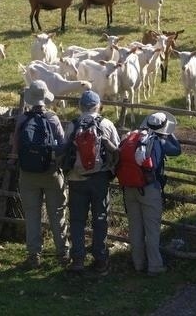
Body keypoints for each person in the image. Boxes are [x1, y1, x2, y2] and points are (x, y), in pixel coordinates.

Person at [8, 80, 69, 269]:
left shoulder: (22, 119)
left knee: (32, 215)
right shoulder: (53, 119)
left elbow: (15, 146)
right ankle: (63, 253)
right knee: (57, 213)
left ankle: (34, 255)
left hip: (27, 173)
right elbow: (61, 146)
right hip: (51, 172)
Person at [63, 90, 120, 273]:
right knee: (100, 218)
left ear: (80, 106)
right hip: (99, 178)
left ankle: (78, 260)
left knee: (77, 220)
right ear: (98, 105)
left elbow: (66, 150)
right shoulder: (106, 124)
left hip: (76, 179)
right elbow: (117, 149)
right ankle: (101, 259)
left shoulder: (73, 126)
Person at [122, 111, 181, 276]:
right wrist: (169, 133)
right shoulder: (159, 141)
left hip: (129, 187)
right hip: (149, 189)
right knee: (152, 229)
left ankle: (138, 263)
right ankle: (155, 265)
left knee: (135, 228)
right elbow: (177, 150)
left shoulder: (132, 137)